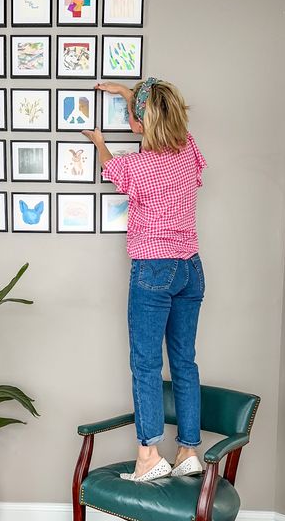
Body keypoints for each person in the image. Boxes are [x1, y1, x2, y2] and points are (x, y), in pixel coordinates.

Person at [83, 78, 206, 481]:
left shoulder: (137, 167)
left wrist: (99, 141)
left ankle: (149, 455)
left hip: (154, 267)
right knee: (184, 362)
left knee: (147, 364)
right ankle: (188, 450)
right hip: (190, 268)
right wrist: (127, 94)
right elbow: (162, 119)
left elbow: (110, 167)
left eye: (131, 115)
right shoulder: (188, 150)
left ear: (141, 123)